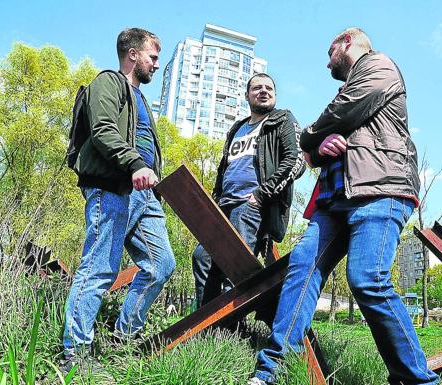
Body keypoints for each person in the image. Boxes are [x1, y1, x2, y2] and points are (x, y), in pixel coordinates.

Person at [247, 28, 438, 385]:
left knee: (368, 280)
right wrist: (320, 146)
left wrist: (310, 134)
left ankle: (417, 380)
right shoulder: (348, 91)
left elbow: (340, 113)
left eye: (329, 51)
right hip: (334, 201)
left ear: (347, 41)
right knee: (302, 268)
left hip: (380, 190)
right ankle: (271, 371)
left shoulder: (379, 66)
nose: (326, 62)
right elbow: (317, 152)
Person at [61, 28, 175, 373]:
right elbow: (104, 130)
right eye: (153, 57)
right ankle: (75, 353)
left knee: (161, 265)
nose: (156, 64)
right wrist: (136, 163)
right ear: (133, 54)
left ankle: (122, 340)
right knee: (99, 268)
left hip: (145, 194)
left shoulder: (141, 99)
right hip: (112, 186)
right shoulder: (108, 82)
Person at [192, 73, 304, 309]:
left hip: (252, 206)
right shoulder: (236, 129)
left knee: (232, 263)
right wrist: (213, 201)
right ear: (246, 95)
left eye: (269, 88)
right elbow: (224, 170)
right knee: (202, 257)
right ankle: (205, 324)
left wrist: (260, 196)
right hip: (223, 206)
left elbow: (296, 161)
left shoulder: (282, 119)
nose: (263, 91)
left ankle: (231, 328)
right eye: (257, 88)